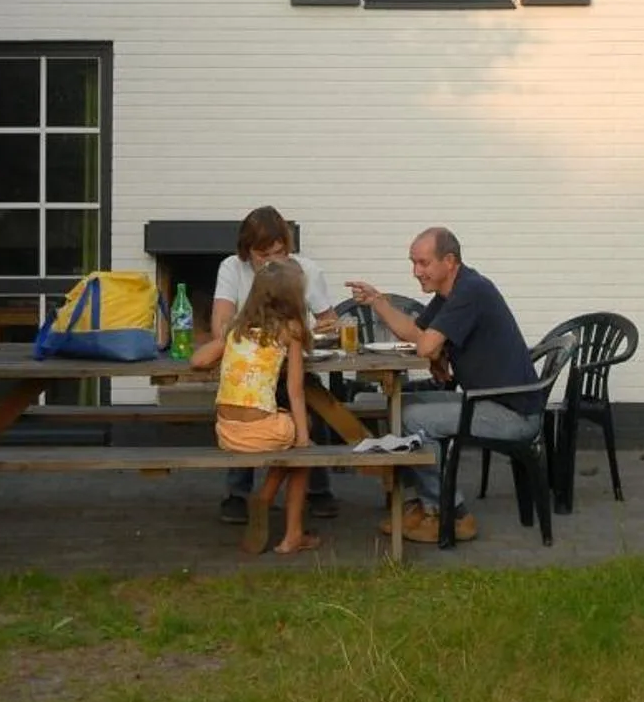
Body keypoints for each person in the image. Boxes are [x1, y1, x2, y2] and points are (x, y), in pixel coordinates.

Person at [345, 226, 540, 545]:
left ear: (449, 261)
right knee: (401, 405)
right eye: (413, 263)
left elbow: (424, 346)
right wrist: (378, 302)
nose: (416, 272)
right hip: (486, 401)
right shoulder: (452, 292)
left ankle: (454, 513)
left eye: (423, 263)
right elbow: (416, 332)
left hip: (513, 414)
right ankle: (425, 503)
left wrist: (436, 351)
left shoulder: (470, 290)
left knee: (413, 419)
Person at [208, 205, 341, 525]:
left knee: (311, 400)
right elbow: (219, 325)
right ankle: (239, 493)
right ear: (246, 251)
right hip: (254, 369)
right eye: (262, 255)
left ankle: (318, 488)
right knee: (256, 402)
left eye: (278, 253)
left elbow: (330, 322)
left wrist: (326, 328)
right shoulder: (231, 268)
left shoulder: (304, 270)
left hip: (294, 363)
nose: (270, 262)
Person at [191, 259, 319, 555]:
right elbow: (295, 390)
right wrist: (302, 440)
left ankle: (266, 497)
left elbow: (197, 360)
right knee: (303, 449)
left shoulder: (235, 328)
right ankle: (290, 533)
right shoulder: (291, 330)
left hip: (226, 433)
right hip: (261, 433)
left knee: (287, 436)